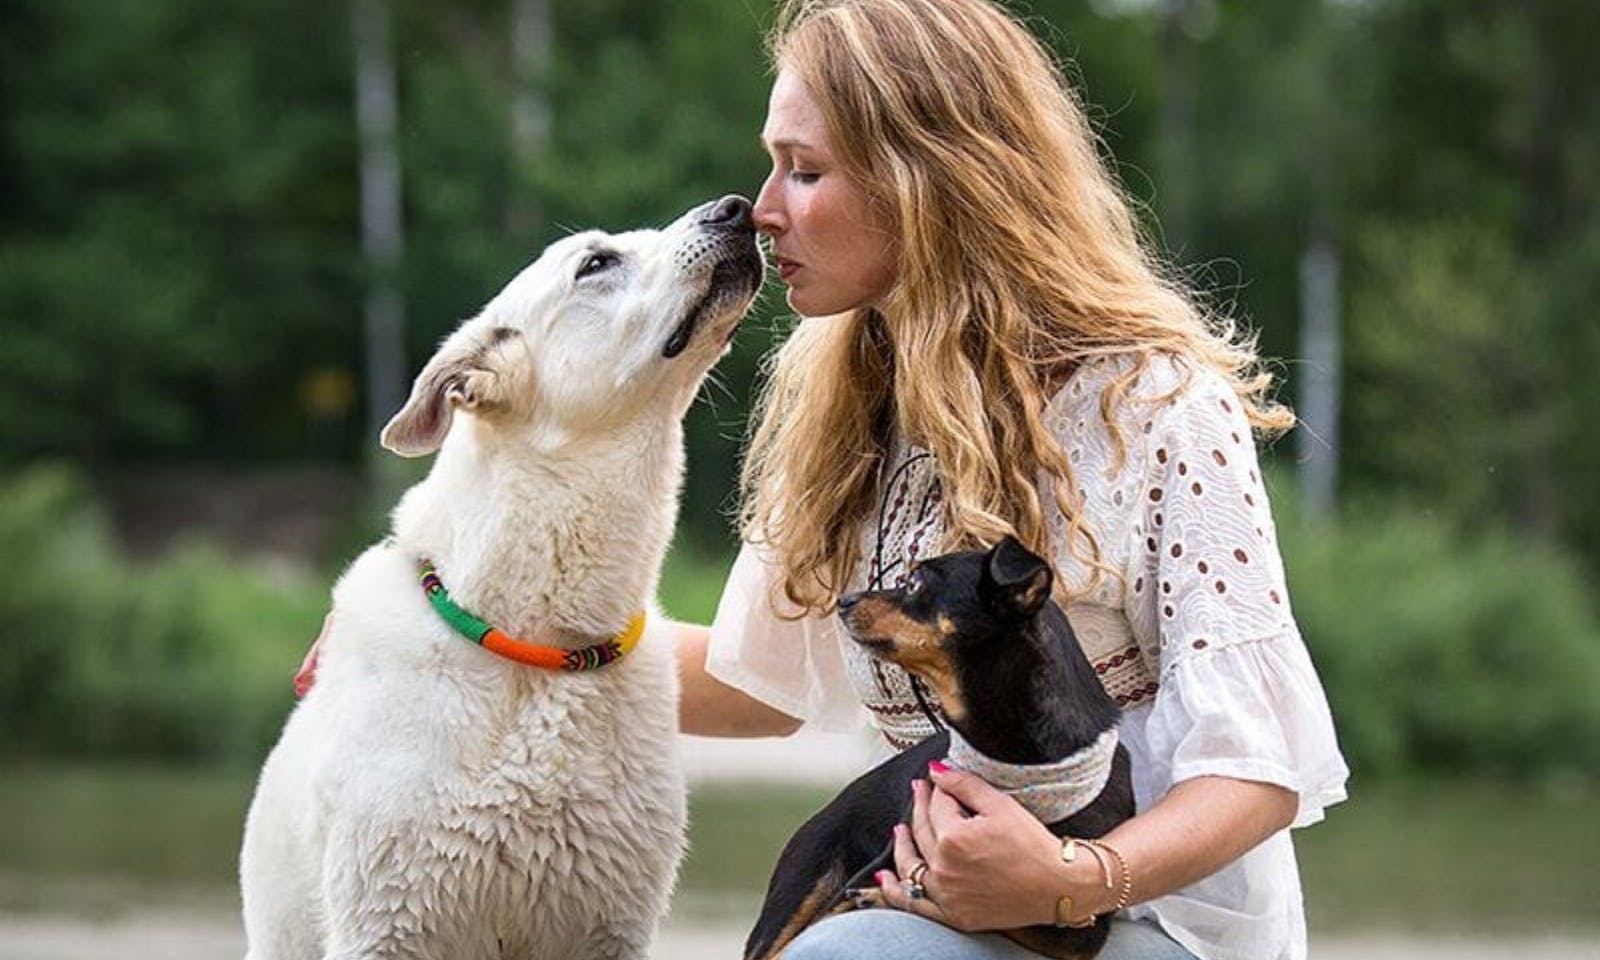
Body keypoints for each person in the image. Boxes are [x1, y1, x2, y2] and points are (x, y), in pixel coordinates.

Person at [674, 1, 1348, 959]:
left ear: (928, 181)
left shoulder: (1153, 403)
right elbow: (755, 683)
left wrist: (1069, 880)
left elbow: (1259, 768)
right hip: (936, 905)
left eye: (806, 169)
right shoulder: (851, 409)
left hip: (1148, 920)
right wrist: (475, 638)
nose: (766, 207)